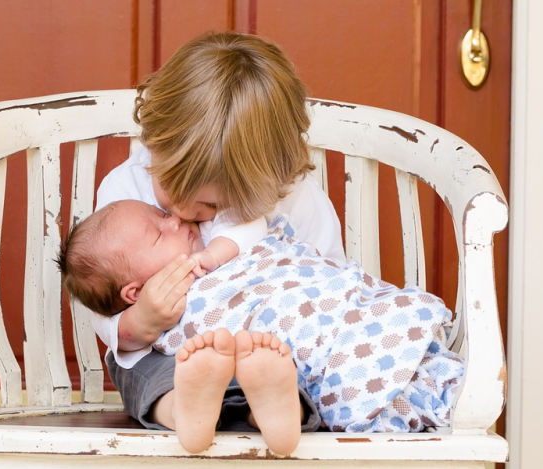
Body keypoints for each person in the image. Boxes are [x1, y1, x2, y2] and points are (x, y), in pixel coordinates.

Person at [83, 31, 346, 454]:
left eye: (211, 204)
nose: (183, 212)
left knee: (293, 370)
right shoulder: (126, 189)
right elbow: (103, 297)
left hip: (273, 349)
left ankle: (276, 408)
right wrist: (141, 321)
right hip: (179, 357)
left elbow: (331, 280)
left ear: (269, 180)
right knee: (139, 369)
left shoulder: (295, 197)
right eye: (170, 190)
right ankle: (183, 409)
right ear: (154, 142)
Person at [60, 200, 464, 436]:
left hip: (334, 311)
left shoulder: (217, 231)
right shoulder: (162, 289)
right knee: (224, 356)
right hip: (279, 348)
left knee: (289, 342)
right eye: (158, 233)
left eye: (161, 213)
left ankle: (271, 406)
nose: (174, 220)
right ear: (133, 292)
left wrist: (215, 254)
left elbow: (261, 235)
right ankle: (258, 407)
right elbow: (121, 338)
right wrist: (145, 318)